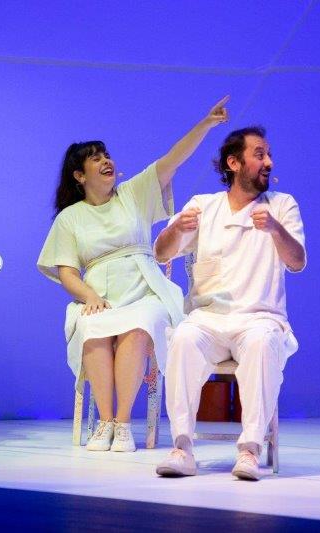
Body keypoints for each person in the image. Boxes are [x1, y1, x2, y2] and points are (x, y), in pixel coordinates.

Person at [37, 96, 230, 453]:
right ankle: (105, 421)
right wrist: (90, 297)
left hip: (145, 290)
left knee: (140, 325)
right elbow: (67, 272)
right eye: (96, 158)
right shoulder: (70, 217)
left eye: (106, 155)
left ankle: (123, 423)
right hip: (101, 296)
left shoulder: (133, 193)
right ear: (79, 175)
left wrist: (205, 123)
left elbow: (173, 159)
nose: (106, 161)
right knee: (90, 326)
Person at [154, 126, 306, 479]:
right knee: (184, 338)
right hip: (209, 319)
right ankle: (182, 448)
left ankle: (250, 451)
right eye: (259, 155)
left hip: (259, 318)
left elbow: (297, 262)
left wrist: (276, 230)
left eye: (269, 155)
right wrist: (175, 230)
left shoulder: (281, 205)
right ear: (234, 163)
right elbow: (161, 252)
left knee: (263, 342)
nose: (268, 162)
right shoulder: (203, 206)